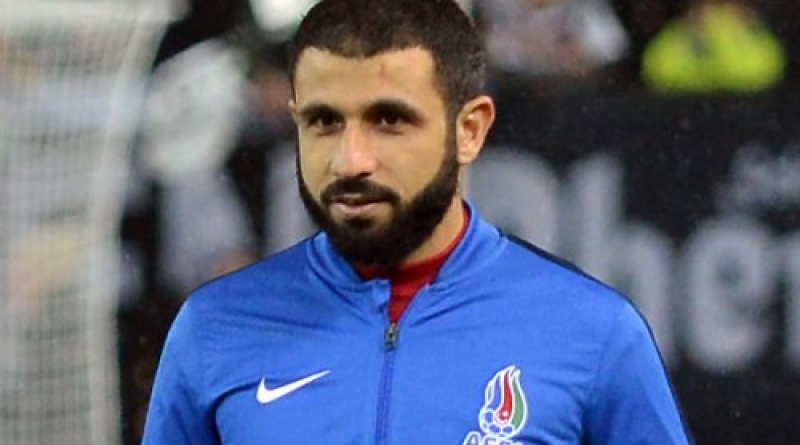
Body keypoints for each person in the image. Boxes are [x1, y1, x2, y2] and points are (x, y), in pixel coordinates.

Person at [141, 0, 691, 443]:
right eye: (324, 121)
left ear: (469, 130)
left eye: (389, 120)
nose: (350, 160)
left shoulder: (592, 333)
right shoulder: (215, 328)